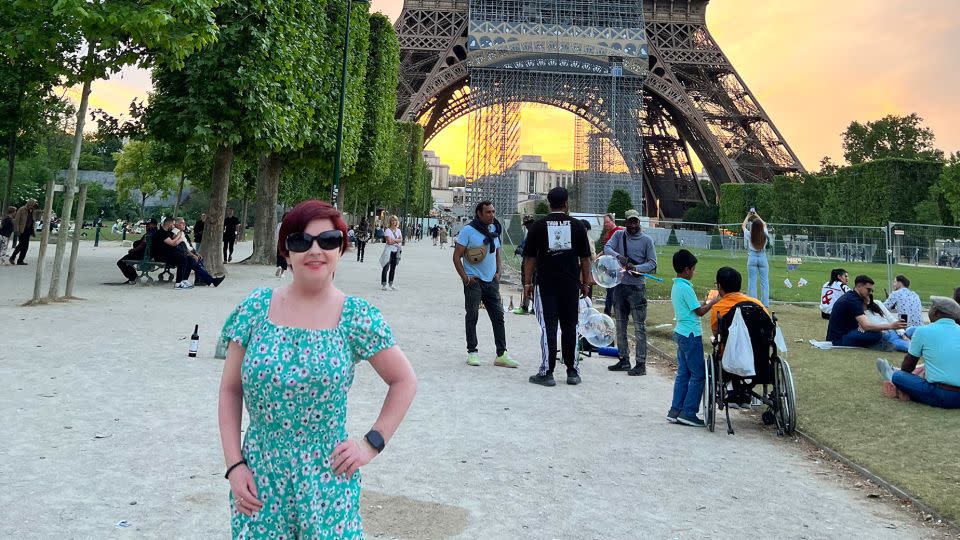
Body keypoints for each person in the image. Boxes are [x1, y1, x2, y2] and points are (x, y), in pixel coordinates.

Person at [218, 199, 417, 537]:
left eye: (328, 241)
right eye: (300, 241)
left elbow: (404, 380)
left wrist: (370, 444)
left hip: (328, 478)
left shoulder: (356, 316)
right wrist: (235, 465)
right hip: (258, 474)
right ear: (286, 251)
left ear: (342, 248)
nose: (315, 250)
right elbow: (230, 389)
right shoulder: (255, 309)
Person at [523, 187, 592, 387]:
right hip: (570, 283)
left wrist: (527, 283)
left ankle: (547, 371)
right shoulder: (578, 226)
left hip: (546, 283)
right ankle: (572, 371)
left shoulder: (538, 226)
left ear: (549, 202)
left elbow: (529, 257)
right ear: (566, 203)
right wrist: (585, 282)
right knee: (571, 327)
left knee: (548, 327)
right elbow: (585, 258)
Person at [453, 201, 517, 368]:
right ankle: (472, 352)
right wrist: (466, 278)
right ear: (479, 214)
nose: (492, 214)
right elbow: (456, 257)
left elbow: (497, 253)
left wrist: (498, 272)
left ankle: (501, 354)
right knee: (472, 316)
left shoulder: (494, 229)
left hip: (491, 282)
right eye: (488, 212)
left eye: (493, 211)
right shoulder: (468, 231)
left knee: (498, 317)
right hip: (474, 282)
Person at [876, 296, 960, 409]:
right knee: (926, 368)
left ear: (936, 312)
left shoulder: (923, 331)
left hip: (942, 395)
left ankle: (900, 387)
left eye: (931, 307)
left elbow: (908, 367)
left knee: (899, 376)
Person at [667, 250, 720, 427]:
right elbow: (699, 312)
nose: (694, 272)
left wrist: (705, 303)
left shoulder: (676, 285)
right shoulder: (686, 287)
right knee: (698, 374)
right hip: (690, 335)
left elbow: (694, 307)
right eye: (693, 269)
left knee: (683, 373)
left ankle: (676, 409)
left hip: (681, 331)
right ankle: (689, 412)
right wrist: (713, 302)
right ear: (687, 270)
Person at [603, 209, 658, 376]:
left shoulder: (647, 240)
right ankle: (624, 359)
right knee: (620, 325)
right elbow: (607, 248)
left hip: (637, 287)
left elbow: (653, 264)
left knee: (639, 327)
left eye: (635, 222)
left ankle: (640, 363)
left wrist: (636, 268)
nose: (633, 225)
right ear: (626, 222)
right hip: (620, 285)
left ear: (639, 222)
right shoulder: (619, 236)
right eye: (630, 222)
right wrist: (619, 257)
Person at [826, 275, 906, 347]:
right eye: (868, 289)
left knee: (881, 334)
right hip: (839, 339)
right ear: (859, 286)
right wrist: (891, 326)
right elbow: (866, 326)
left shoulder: (852, 297)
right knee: (877, 335)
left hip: (842, 334)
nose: (870, 293)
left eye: (871, 290)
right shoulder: (853, 300)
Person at [710, 267, 768, 336]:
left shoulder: (718, 308)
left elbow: (716, 334)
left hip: (729, 346)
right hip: (757, 346)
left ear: (719, 286)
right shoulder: (757, 304)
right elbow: (769, 327)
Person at [174, 217, 224, 287]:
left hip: (189, 252)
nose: (184, 225)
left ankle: (200, 280)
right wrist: (192, 255)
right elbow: (182, 247)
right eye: (182, 223)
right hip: (183, 254)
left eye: (184, 223)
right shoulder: (176, 232)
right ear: (176, 224)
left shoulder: (182, 232)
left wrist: (195, 253)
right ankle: (209, 280)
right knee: (194, 262)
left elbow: (187, 245)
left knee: (199, 260)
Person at [152, 217, 193, 289]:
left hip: (168, 254)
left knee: (188, 258)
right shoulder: (161, 233)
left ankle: (184, 280)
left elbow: (175, 242)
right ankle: (178, 284)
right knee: (182, 258)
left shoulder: (167, 232)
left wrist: (179, 239)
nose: (174, 226)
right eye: (173, 224)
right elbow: (172, 243)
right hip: (161, 256)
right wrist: (179, 237)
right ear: (169, 223)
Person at [742, 209, 771, 307]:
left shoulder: (750, 234)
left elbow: (743, 226)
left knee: (752, 281)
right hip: (762, 256)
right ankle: (765, 304)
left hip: (752, 256)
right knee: (764, 282)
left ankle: (753, 303)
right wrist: (757, 215)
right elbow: (764, 223)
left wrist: (749, 216)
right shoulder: (765, 234)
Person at [116, 219, 159, 283]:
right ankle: (134, 277)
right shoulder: (156, 232)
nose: (146, 227)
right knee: (126, 260)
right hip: (149, 254)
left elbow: (143, 245)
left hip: (143, 255)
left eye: (148, 225)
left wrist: (133, 250)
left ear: (153, 225)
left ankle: (133, 278)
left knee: (121, 262)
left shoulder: (150, 234)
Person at [600, 213, 624, 316]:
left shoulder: (619, 231)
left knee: (614, 289)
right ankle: (608, 311)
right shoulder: (607, 234)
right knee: (610, 289)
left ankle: (613, 311)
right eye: (604, 223)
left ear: (613, 221)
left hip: (617, 266)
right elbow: (606, 249)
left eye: (607, 222)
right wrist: (598, 256)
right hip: (609, 266)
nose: (605, 224)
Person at [9, 199, 38, 265]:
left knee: (25, 246)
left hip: (28, 230)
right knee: (21, 245)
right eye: (32, 205)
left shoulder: (33, 210)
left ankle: (20, 260)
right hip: (22, 229)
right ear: (29, 204)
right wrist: (17, 230)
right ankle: (12, 257)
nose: (33, 207)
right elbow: (17, 220)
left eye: (33, 206)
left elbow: (33, 219)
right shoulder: (21, 209)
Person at [380, 215, 402, 290]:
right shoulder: (387, 230)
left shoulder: (398, 230)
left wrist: (394, 240)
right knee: (386, 267)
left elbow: (401, 239)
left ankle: (391, 284)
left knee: (393, 268)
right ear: (390, 222)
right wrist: (396, 240)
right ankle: (384, 284)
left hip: (396, 251)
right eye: (392, 220)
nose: (394, 222)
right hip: (388, 251)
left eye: (395, 220)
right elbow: (389, 242)